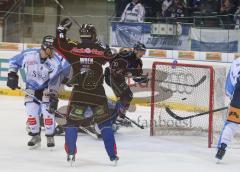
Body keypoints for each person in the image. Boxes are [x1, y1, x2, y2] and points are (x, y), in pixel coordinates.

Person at [53, 18, 119, 163]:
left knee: (72, 123)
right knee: (105, 124)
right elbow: (111, 56)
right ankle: (112, 156)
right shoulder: (99, 49)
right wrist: (103, 46)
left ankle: (71, 153)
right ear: (93, 35)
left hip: (79, 93)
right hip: (97, 93)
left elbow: (58, 44)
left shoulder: (73, 48)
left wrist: (61, 31)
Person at [7, 35, 65, 149]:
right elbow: (13, 62)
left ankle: (50, 136)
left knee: (48, 113)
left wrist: (52, 94)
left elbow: (57, 80)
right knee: (31, 113)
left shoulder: (56, 61)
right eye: (52, 49)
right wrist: (12, 75)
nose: (54, 52)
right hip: (31, 88)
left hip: (46, 90)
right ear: (44, 47)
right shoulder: (29, 55)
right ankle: (35, 136)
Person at [104, 42, 147, 122]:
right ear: (135, 50)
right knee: (125, 96)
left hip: (119, 79)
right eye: (141, 51)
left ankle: (118, 115)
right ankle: (115, 116)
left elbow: (136, 78)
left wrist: (142, 79)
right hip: (111, 76)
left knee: (128, 96)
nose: (142, 53)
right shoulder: (125, 55)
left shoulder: (139, 63)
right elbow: (111, 60)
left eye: (144, 51)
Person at [215, 57, 240, 160]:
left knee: (231, 124)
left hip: (238, 97)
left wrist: (232, 98)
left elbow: (229, 86)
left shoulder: (237, 61)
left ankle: (222, 148)